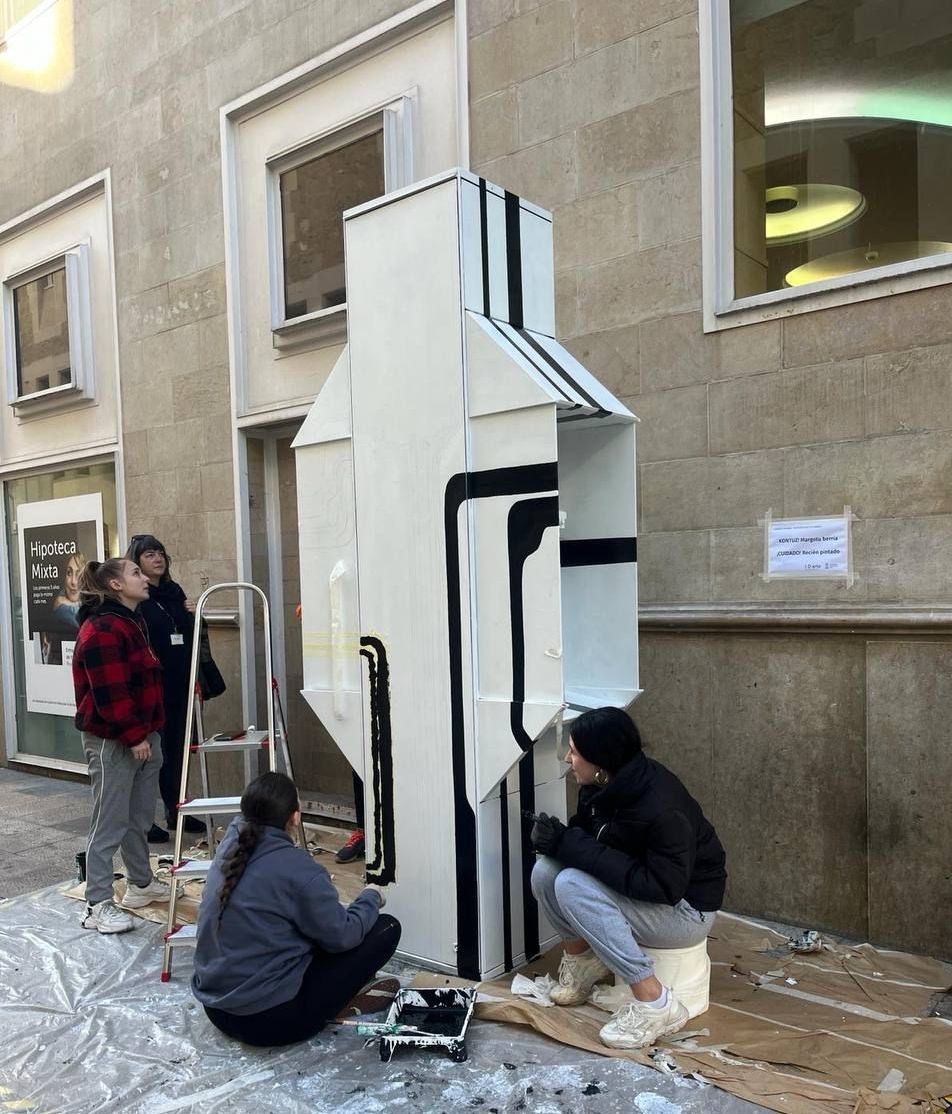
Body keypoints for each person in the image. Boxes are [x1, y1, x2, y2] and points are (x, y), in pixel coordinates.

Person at [529, 707, 727, 1050]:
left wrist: (569, 844)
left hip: (686, 911)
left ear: (600, 761)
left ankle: (656, 1003)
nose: (567, 758)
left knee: (570, 884)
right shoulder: (603, 785)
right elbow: (599, 841)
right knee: (546, 871)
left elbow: (662, 887)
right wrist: (560, 838)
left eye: (574, 752)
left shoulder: (662, 807)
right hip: (653, 896)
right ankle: (583, 966)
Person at [192, 771, 401, 1046]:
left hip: (216, 1010)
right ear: (295, 817)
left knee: (304, 930)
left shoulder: (229, 847)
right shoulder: (298, 869)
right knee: (385, 928)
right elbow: (342, 936)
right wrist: (370, 896)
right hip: (272, 1021)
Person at [72, 558, 172, 934]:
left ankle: (140, 885)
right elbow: (109, 694)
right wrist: (134, 737)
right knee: (109, 821)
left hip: (144, 735)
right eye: (135, 573)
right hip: (116, 741)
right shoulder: (102, 630)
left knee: (138, 818)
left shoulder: (132, 622)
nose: (144, 578)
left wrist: (146, 735)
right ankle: (97, 903)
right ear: (115, 585)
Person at [126, 534, 203, 843]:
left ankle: (175, 808)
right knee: (156, 754)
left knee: (178, 747)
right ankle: (145, 821)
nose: (157, 559)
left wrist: (194, 613)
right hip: (153, 686)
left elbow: (190, 632)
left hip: (180, 680)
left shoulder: (174, 592)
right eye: (148, 555)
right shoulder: (140, 600)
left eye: (160, 553)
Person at [52, 551, 85, 633]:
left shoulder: (61, 601)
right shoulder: (62, 608)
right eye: (69, 573)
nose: (73, 582)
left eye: (78, 574)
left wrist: (71, 603)